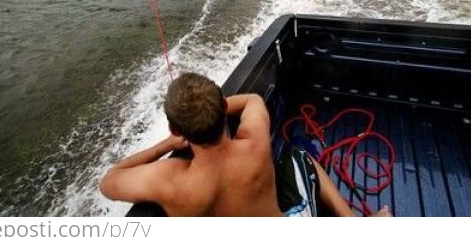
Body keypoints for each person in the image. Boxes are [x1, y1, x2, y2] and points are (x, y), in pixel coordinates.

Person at [100, 72, 392, 217]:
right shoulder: (254, 143)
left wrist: (164, 146)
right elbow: (252, 99)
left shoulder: (170, 180)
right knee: (300, 157)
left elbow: (109, 183)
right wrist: (212, 107)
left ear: (177, 129)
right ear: (223, 108)